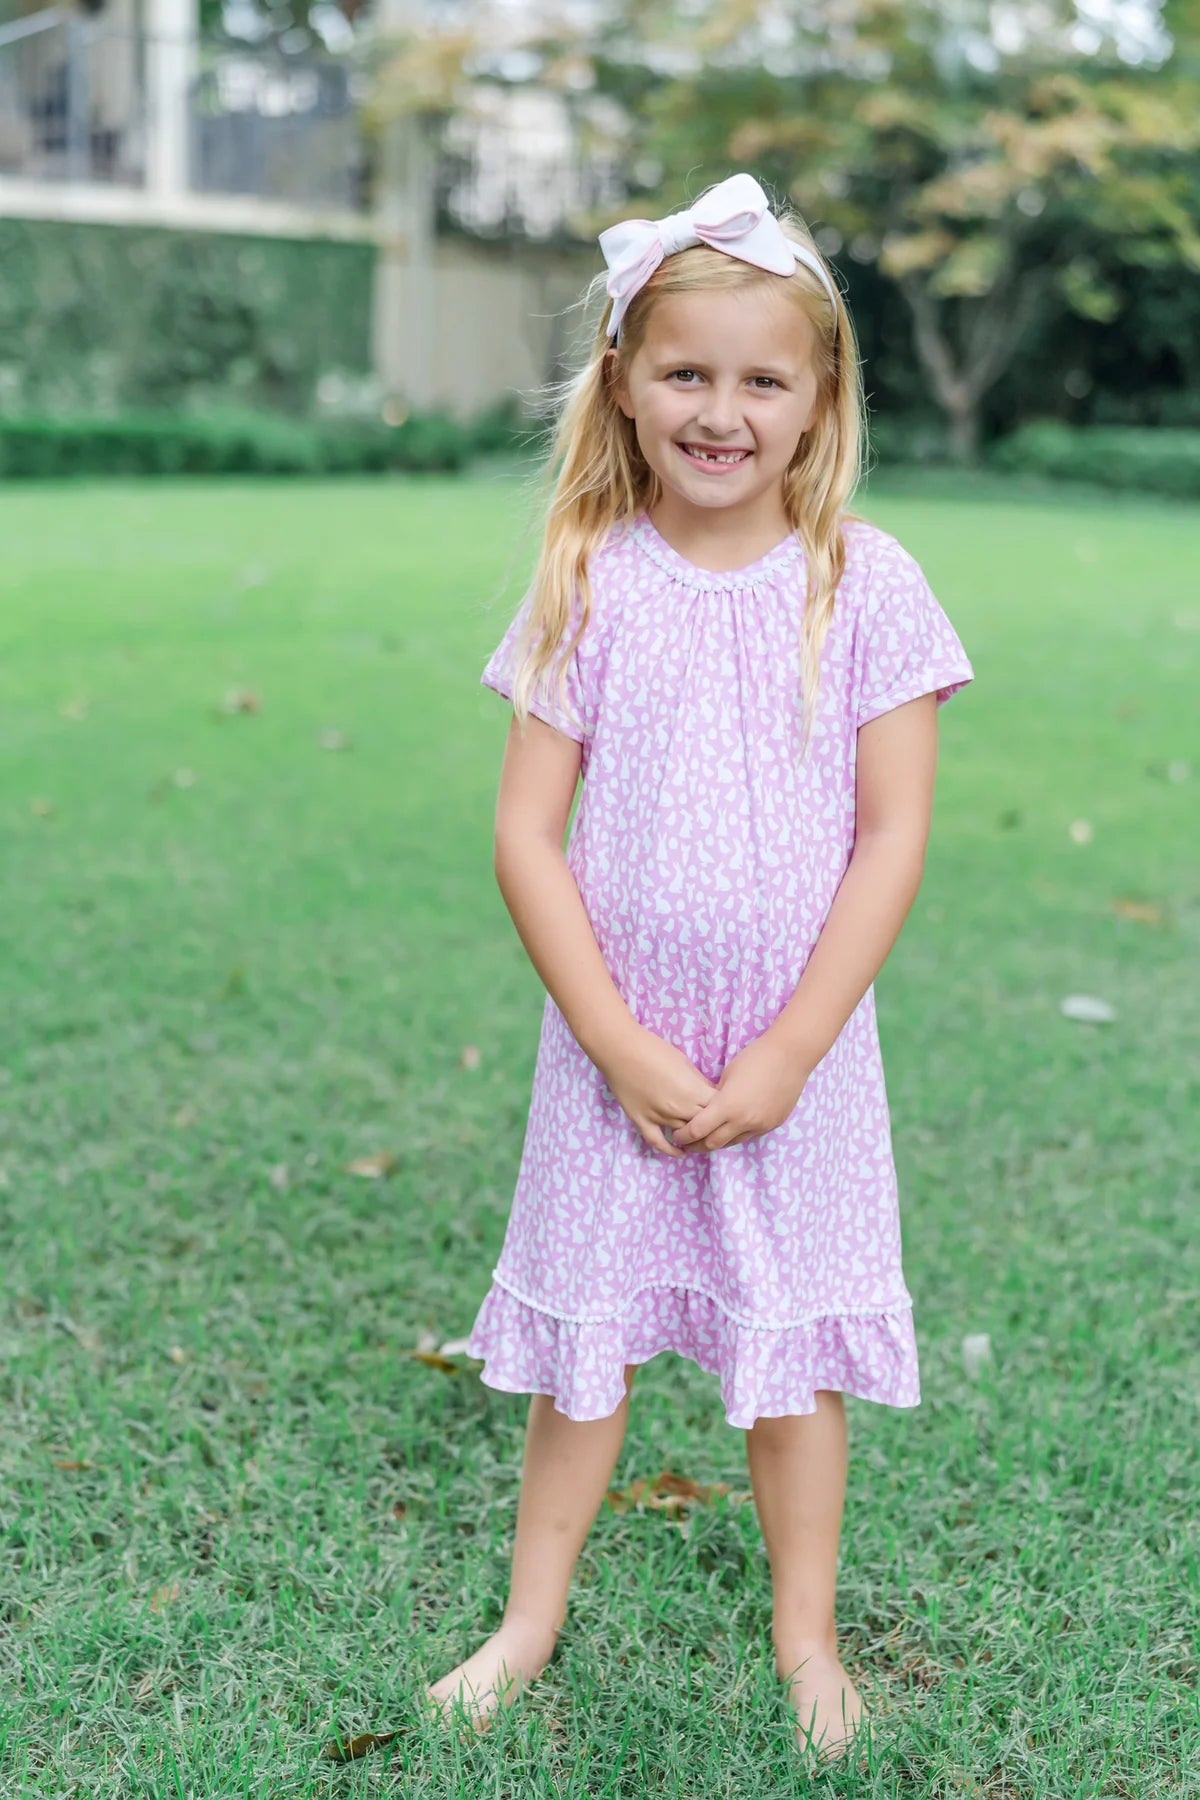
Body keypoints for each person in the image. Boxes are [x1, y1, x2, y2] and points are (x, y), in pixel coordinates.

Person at [425, 171, 975, 1763]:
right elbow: (531, 836)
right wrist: (613, 1038)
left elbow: (890, 838)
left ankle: (807, 1633)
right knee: (583, 1348)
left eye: (760, 378)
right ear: (623, 379)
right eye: (685, 371)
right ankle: (530, 1618)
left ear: (818, 400)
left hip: (795, 1054)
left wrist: (791, 1052)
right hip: (621, 1052)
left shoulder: (866, 584)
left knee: (791, 1348)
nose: (720, 410)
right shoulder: (587, 572)